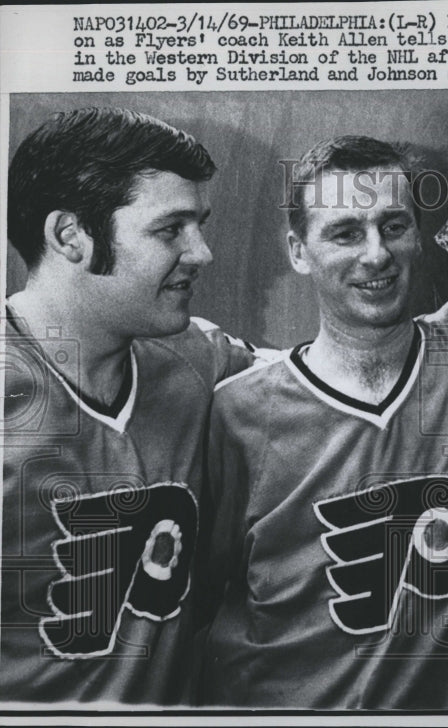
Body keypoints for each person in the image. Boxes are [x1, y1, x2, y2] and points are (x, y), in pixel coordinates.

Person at [198, 135, 448, 708]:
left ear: (419, 233)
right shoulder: (237, 413)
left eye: (393, 226)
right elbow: (195, 608)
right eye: (345, 233)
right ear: (297, 250)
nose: (376, 254)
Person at [1, 107, 260, 704]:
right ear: (70, 236)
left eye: (199, 226)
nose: (201, 253)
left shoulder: (201, 358)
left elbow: (322, 378)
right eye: (170, 229)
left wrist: (422, 338)